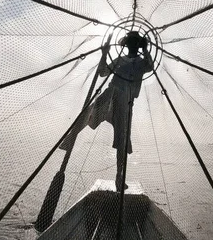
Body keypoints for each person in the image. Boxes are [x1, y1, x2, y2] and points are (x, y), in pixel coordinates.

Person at [60, 31, 154, 191]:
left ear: (138, 45)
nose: (132, 44)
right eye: (130, 41)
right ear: (126, 44)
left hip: (126, 100)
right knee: (89, 113)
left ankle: (119, 177)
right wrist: (104, 54)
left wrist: (146, 50)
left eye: (135, 42)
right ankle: (70, 139)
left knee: (123, 139)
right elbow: (103, 72)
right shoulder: (119, 60)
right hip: (111, 92)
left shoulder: (141, 61)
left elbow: (150, 67)